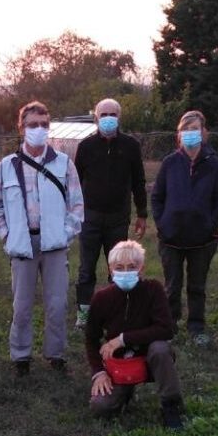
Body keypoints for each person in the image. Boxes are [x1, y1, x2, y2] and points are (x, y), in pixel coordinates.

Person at [0, 100, 84, 376]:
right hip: (23, 246)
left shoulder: (64, 163)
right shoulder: (7, 166)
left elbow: (76, 206)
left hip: (54, 245)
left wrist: (64, 234)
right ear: (21, 128)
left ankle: (55, 353)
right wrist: (10, 237)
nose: (38, 129)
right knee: (22, 306)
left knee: (56, 304)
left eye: (44, 124)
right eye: (33, 125)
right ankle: (21, 356)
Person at [86, 240, 184, 429]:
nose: (125, 272)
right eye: (119, 268)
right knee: (101, 407)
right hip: (120, 363)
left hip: (149, 359)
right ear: (111, 269)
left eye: (132, 267)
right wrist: (98, 372)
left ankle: (171, 405)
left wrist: (123, 339)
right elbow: (91, 339)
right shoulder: (101, 298)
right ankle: (125, 390)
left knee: (160, 349)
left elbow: (166, 329)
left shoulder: (153, 289)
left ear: (141, 268)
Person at [150, 110, 218, 346]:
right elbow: (157, 197)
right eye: (186, 129)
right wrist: (162, 224)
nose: (190, 133)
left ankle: (196, 327)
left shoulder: (213, 163)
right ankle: (169, 325)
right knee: (172, 286)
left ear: (204, 133)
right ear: (179, 135)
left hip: (202, 239)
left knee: (197, 285)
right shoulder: (170, 163)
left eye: (195, 129)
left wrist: (209, 225)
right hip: (171, 238)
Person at [73, 98, 149, 329]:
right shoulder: (85, 147)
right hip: (90, 217)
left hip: (118, 218)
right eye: (103, 114)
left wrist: (142, 214)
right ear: (96, 118)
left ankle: (114, 310)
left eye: (112, 114)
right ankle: (84, 312)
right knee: (86, 269)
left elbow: (139, 181)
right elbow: (75, 183)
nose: (108, 118)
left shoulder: (131, 146)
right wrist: (73, 213)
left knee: (117, 266)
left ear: (119, 118)